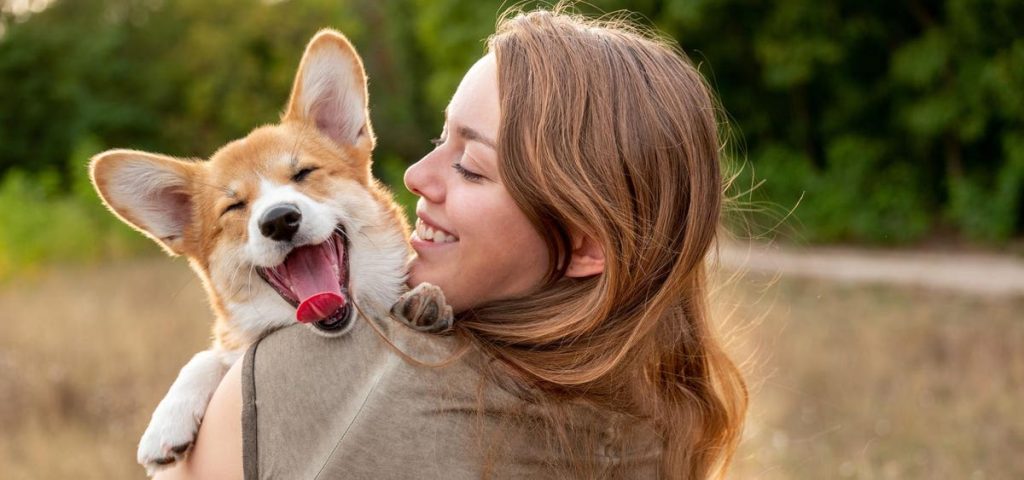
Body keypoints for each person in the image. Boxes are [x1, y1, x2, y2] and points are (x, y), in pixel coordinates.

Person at [156, 7, 747, 480]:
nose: (412, 175)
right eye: (441, 138)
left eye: (469, 164)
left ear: (585, 243)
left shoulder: (324, 381)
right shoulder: (660, 417)